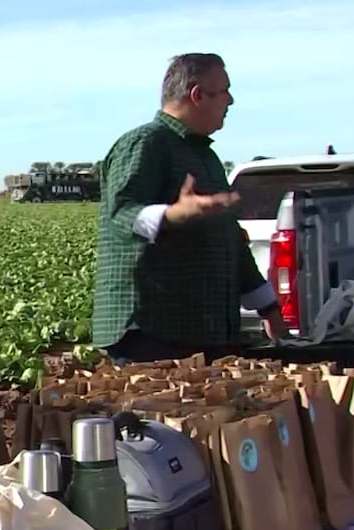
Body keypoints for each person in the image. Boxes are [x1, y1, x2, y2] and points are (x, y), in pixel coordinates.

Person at [91, 53, 289, 364]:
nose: (231, 100)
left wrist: (268, 307)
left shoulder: (205, 157)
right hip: (152, 335)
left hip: (204, 333)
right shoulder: (146, 143)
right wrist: (172, 215)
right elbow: (121, 214)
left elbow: (231, 241)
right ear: (197, 95)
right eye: (224, 90)